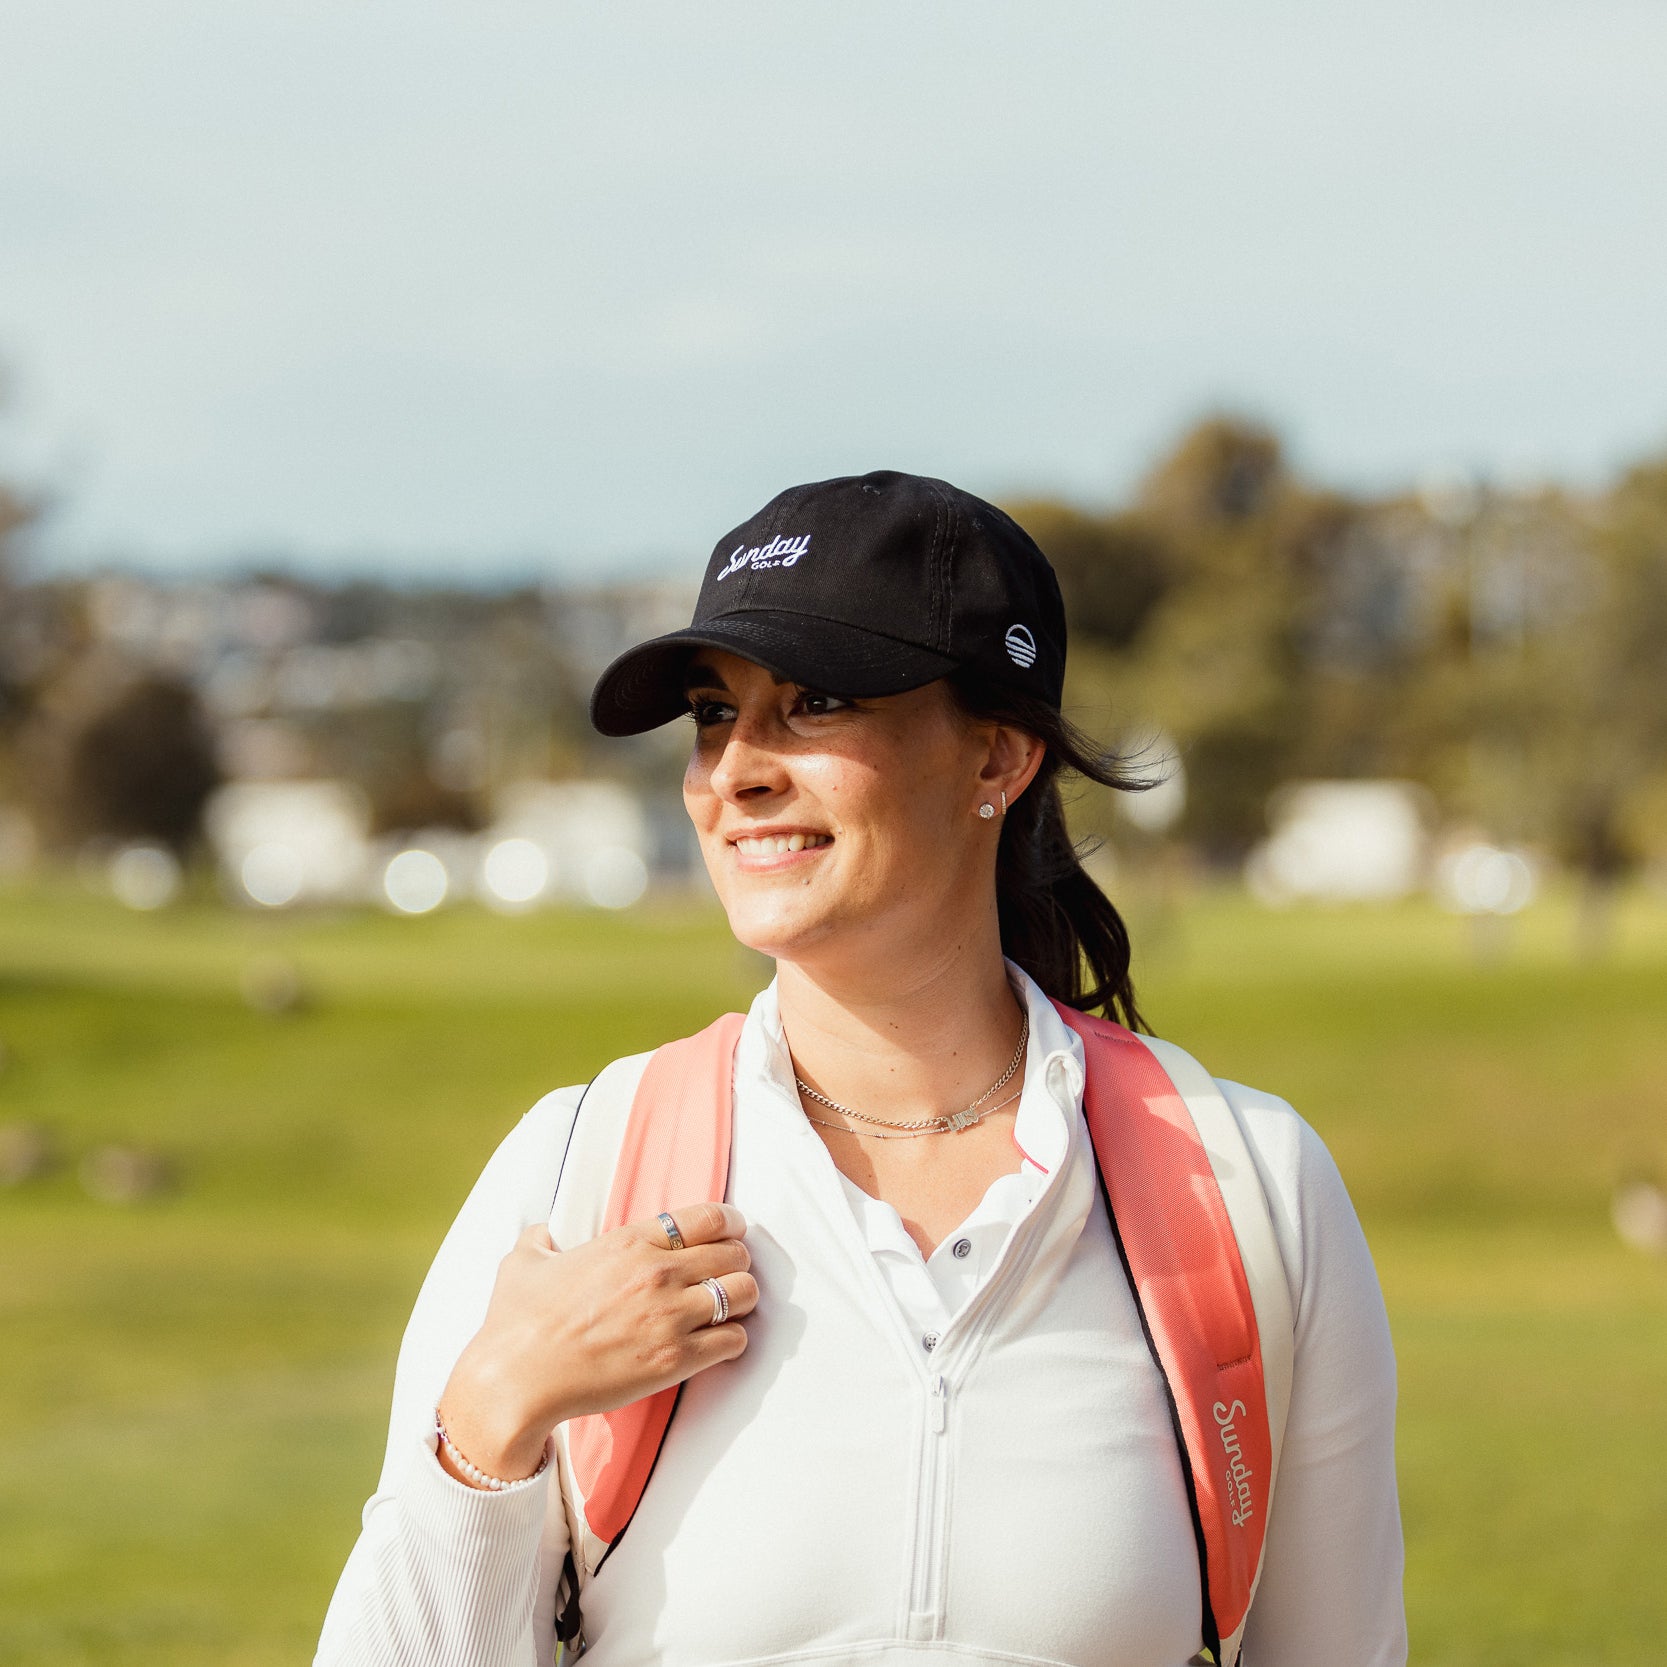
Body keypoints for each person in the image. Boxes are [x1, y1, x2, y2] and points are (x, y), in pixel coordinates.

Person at [316, 470, 1406, 1667]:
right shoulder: (575, 1169)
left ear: (997, 757)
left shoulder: (1253, 1188)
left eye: (815, 702)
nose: (735, 769)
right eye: (713, 713)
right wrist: (490, 1412)